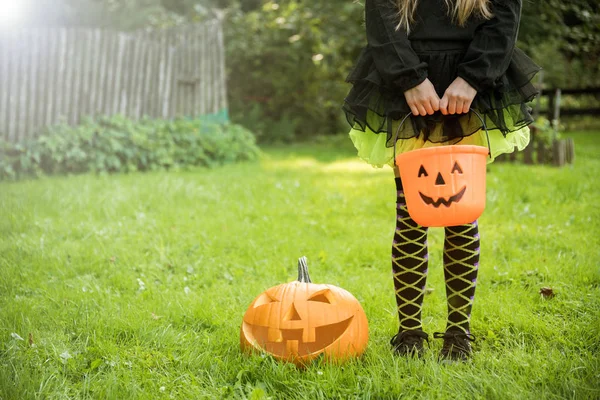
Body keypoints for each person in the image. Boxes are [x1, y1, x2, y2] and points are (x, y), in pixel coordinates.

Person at [342, 0, 540, 361]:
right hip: (408, 88)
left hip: (469, 88)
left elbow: (505, 18)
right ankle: (410, 333)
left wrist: (472, 79)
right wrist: (410, 79)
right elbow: (382, 19)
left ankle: (458, 333)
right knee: (412, 213)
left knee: (461, 212)